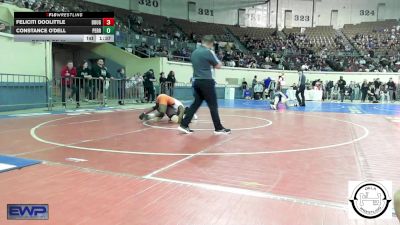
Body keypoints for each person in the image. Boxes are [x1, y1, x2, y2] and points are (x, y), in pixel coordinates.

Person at [179, 35, 230, 134]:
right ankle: (218, 128)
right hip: (206, 81)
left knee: (196, 104)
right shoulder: (208, 52)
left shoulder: (194, 52)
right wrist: (218, 59)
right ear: (211, 43)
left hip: (196, 81)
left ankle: (184, 124)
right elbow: (218, 66)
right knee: (213, 105)